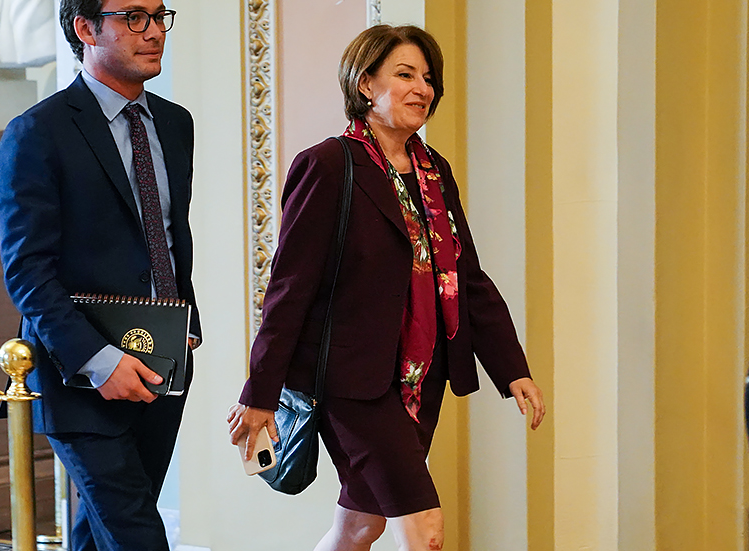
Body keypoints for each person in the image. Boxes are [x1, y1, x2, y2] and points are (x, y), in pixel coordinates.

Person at [227, 24, 546, 551]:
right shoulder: (328, 165)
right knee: (425, 531)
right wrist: (260, 393)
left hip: (423, 380)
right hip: (355, 386)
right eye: (405, 74)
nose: (423, 88)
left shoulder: (434, 171)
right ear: (365, 83)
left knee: (359, 526)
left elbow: (466, 277)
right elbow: (289, 288)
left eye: (428, 78)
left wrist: (513, 368)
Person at [0, 1, 200, 549]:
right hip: (80, 376)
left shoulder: (176, 124)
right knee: (137, 534)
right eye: (134, 17)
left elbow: (171, 232)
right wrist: (100, 362)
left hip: (162, 363)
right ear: (86, 28)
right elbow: (27, 271)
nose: (154, 31)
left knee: (103, 530)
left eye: (159, 15)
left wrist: (187, 319)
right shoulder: (36, 133)